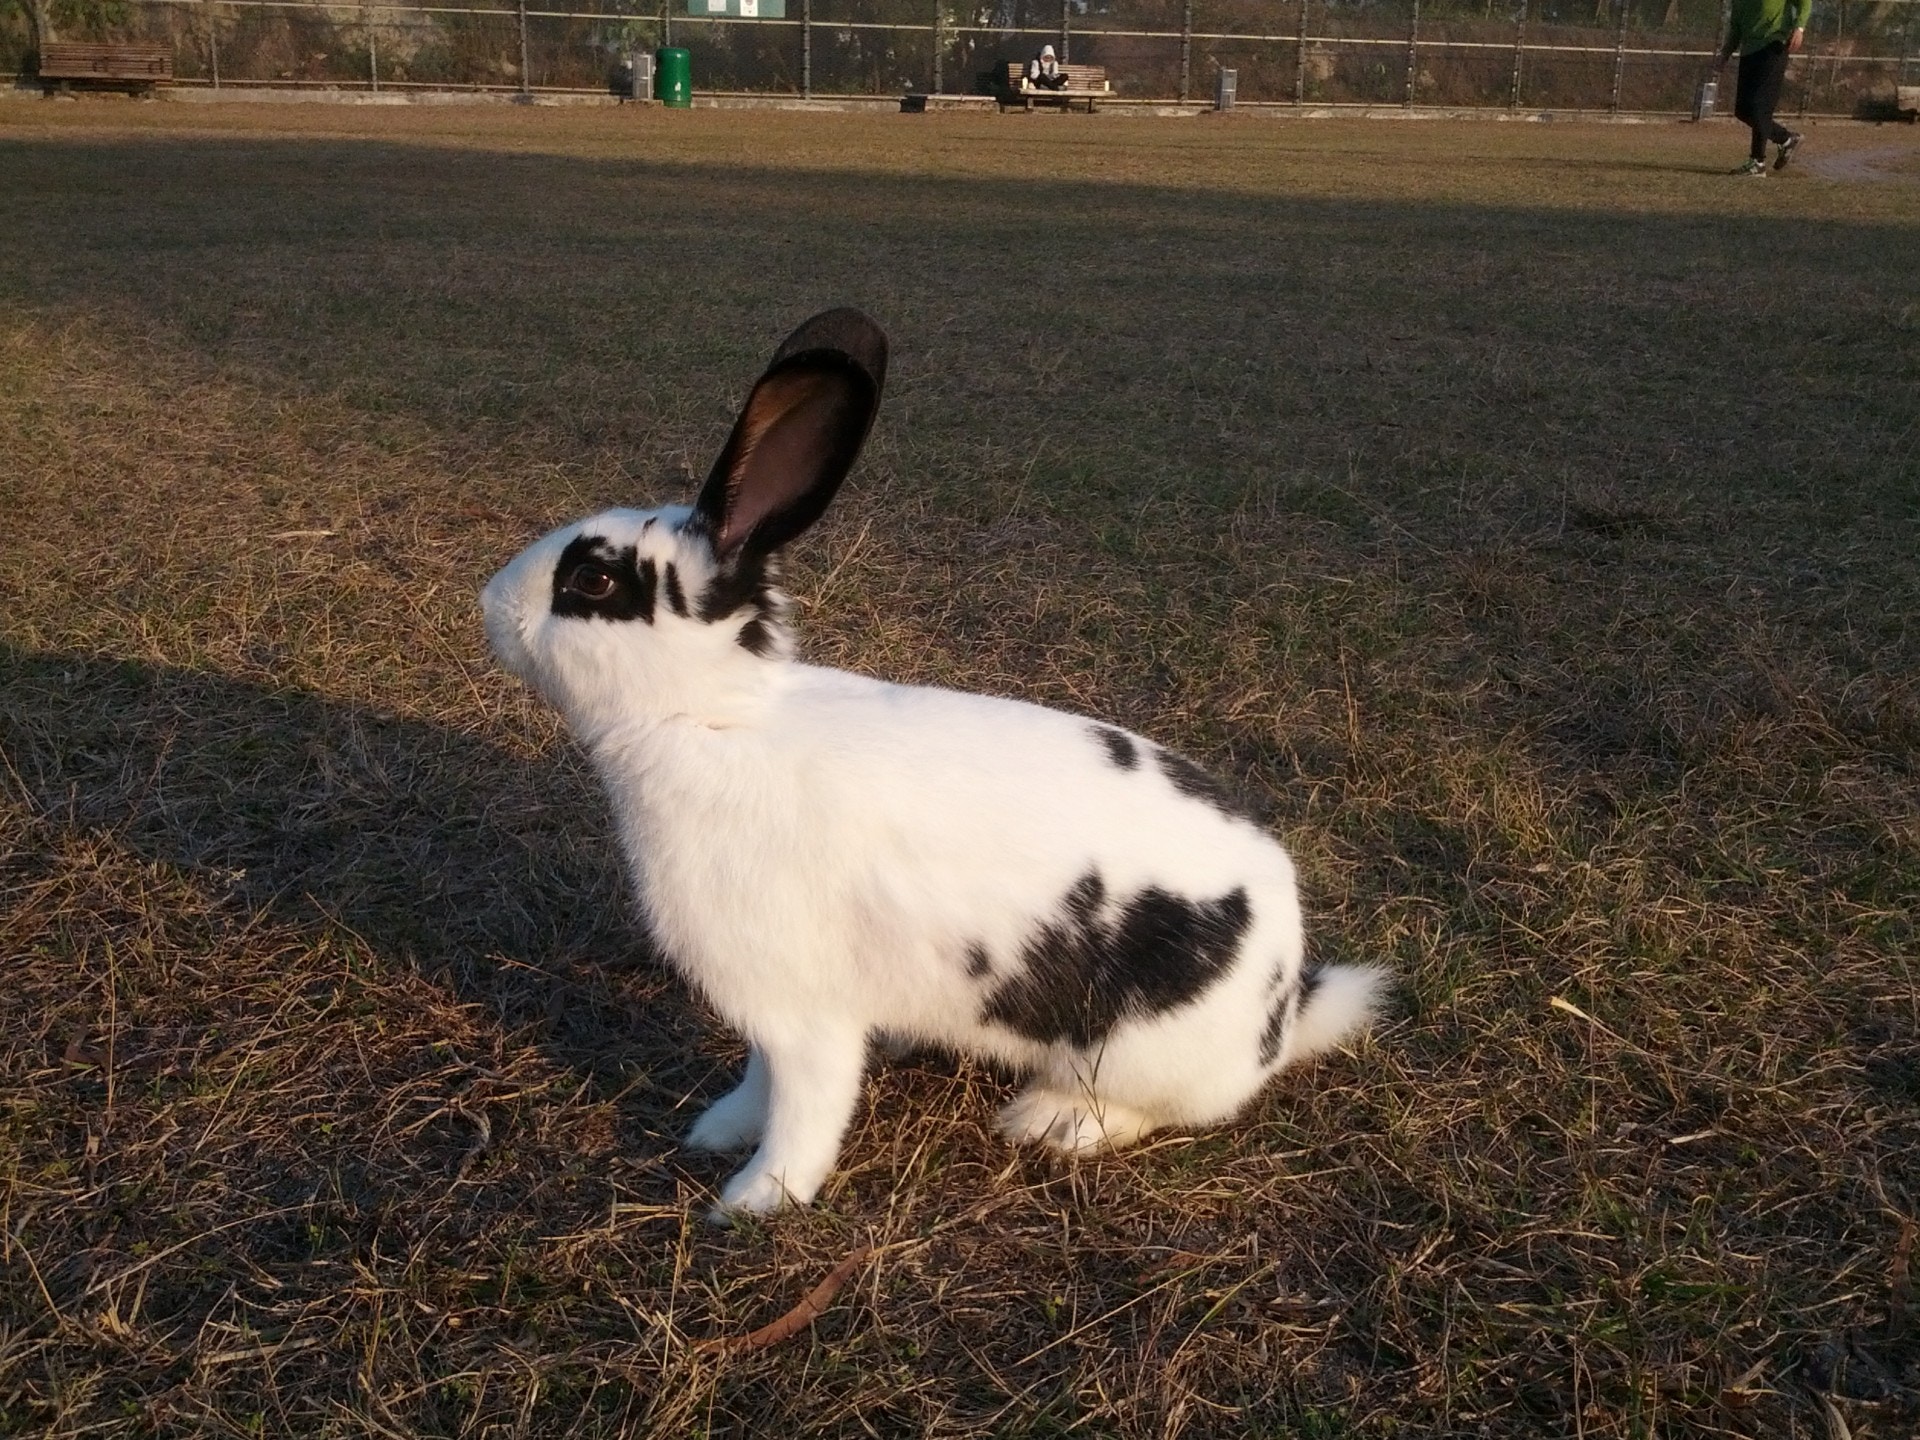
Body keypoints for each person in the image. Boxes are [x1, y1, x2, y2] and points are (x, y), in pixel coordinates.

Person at [1715, 0, 1810, 176]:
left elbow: (1805, 2)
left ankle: (1757, 163)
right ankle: (1787, 139)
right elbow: (1736, 28)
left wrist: (1799, 28)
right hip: (1749, 51)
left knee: (1759, 106)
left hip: (1773, 45)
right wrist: (1725, 54)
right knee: (1743, 110)